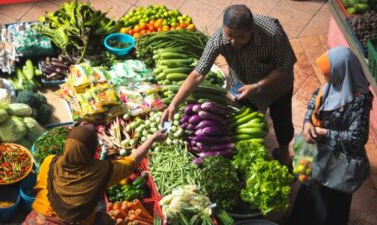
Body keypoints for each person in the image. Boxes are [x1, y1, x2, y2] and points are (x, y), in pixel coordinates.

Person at [161, 4, 297, 166]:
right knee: (240, 116)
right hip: (240, 84)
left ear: (251, 30)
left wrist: (257, 85)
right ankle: (251, 154)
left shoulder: (272, 33)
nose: (233, 41)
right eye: (229, 35)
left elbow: (285, 66)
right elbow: (198, 74)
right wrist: (173, 104)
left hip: (277, 87)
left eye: (239, 37)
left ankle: (284, 155)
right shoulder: (219, 39)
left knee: (283, 123)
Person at [288, 46, 373, 225]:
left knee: (329, 206)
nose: (325, 79)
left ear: (342, 72)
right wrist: (307, 124)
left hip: (337, 162)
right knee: (308, 191)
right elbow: (313, 104)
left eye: (328, 75)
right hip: (315, 153)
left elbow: (357, 138)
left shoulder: (361, 100)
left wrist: (324, 133)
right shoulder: (331, 84)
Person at [23, 124, 167, 225]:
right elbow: (132, 161)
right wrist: (152, 139)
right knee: (105, 220)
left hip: (36, 220)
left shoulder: (49, 161)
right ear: (92, 151)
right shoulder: (101, 171)